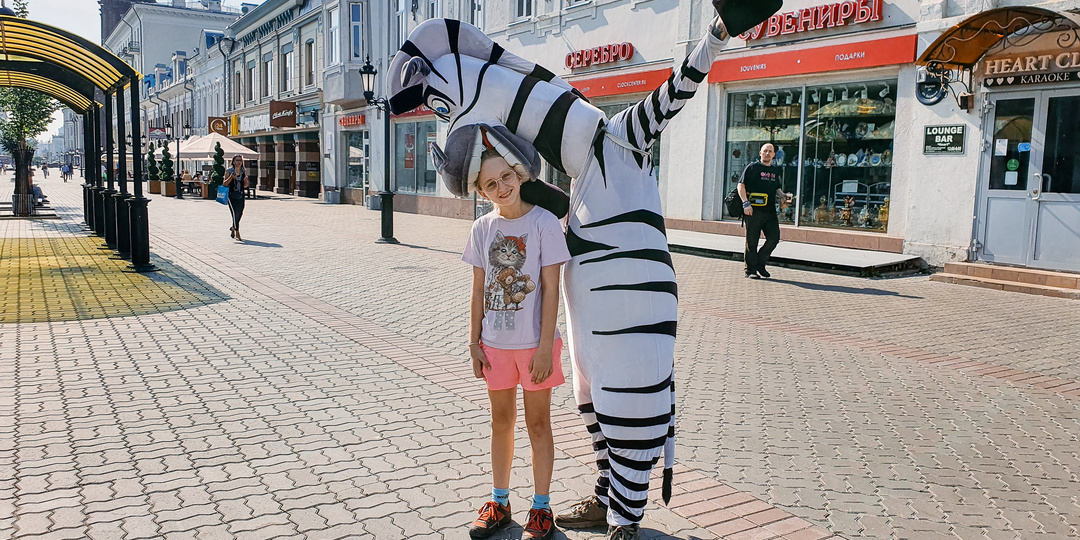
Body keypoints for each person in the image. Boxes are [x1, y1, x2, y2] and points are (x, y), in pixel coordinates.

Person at [463, 147, 571, 540]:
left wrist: (545, 346)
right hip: (494, 346)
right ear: (481, 190)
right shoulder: (482, 228)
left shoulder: (543, 223)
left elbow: (550, 288)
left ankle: (541, 509)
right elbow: (478, 290)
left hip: (534, 346)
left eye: (506, 176)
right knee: (501, 422)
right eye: (491, 183)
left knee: (538, 425)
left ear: (519, 175)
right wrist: (473, 341)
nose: (502, 186)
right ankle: (500, 502)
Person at [737, 143, 789, 279]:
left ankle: (760, 262)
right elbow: (740, 185)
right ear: (760, 153)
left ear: (773, 155)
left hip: (770, 211)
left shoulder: (775, 170)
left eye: (770, 151)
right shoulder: (752, 168)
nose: (767, 153)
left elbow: (776, 188)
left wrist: (783, 196)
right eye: (765, 151)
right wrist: (745, 203)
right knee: (752, 242)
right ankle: (750, 270)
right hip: (753, 211)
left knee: (774, 238)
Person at [222, 156, 249, 241]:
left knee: (240, 212)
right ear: (233, 162)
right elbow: (225, 184)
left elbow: (245, 186)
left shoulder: (243, 171)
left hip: (240, 194)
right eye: (237, 160)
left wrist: (246, 181)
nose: (239, 162)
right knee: (234, 213)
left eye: (240, 160)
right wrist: (231, 178)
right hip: (231, 195)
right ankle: (237, 232)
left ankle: (233, 227)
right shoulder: (229, 171)